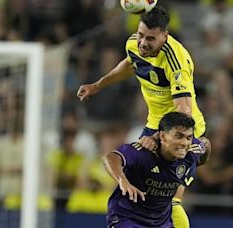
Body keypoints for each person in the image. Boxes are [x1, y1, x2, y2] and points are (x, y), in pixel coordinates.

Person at [77, 6, 206, 227]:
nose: (143, 43)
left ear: (165, 36)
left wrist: (160, 138)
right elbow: (129, 65)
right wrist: (98, 85)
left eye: (151, 38)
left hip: (178, 131)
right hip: (154, 125)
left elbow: (183, 110)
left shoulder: (176, 61)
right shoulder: (134, 44)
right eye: (141, 35)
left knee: (171, 200)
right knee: (139, 191)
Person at [102, 112, 211, 227]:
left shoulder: (191, 151)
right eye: (178, 136)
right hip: (128, 217)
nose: (184, 143)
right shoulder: (144, 152)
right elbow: (110, 158)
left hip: (161, 223)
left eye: (188, 137)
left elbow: (205, 143)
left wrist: (200, 162)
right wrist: (122, 180)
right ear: (162, 136)